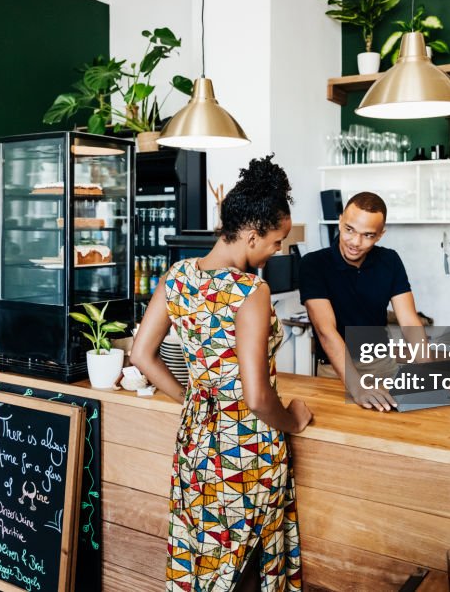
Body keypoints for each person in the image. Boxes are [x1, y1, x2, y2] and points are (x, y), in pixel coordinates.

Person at [131, 155, 312, 592]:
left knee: (204, 552)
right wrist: (293, 418)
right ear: (251, 236)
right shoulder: (251, 291)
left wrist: (194, 398)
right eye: (276, 241)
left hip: (197, 439)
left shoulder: (176, 277)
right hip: (246, 449)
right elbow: (255, 396)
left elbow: (142, 356)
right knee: (245, 562)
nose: (277, 251)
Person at [300, 191, 429, 412]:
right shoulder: (313, 264)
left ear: (380, 234)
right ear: (340, 222)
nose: (355, 242)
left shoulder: (390, 260)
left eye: (368, 235)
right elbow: (326, 331)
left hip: (384, 369)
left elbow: (409, 320)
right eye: (349, 230)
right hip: (335, 375)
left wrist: (431, 372)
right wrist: (358, 388)